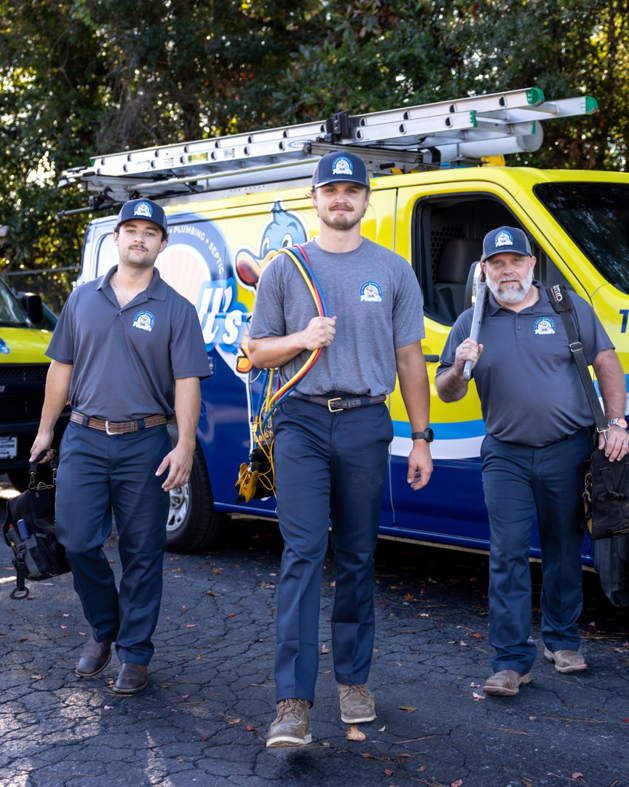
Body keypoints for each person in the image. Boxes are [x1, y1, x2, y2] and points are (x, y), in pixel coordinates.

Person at [248, 150, 433, 747]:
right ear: (315, 198)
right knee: (303, 553)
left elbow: (410, 361)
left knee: (357, 555)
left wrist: (422, 438)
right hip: (299, 422)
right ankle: (293, 701)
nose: (341, 199)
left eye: (352, 190)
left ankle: (352, 678)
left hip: (365, 423)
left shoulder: (394, 270)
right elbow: (256, 351)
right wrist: (301, 338)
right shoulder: (285, 268)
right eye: (332, 190)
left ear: (365, 200)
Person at [435, 226, 628, 697]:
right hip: (505, 453)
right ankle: (510, 661)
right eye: (496, 264)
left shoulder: (564, 307)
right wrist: (460, 367)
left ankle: (562, 641)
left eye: (514, 261)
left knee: (563, 547)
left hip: (568, 447)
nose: (506, 271)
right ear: (483, 271)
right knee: (507, 553)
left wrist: (617, 422)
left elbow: (606, 361)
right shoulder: (470, 322)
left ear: (531, 264)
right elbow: (446, 390)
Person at [30, 198, 209, 695]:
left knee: (142, 552)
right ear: (116, 238)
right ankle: (104, 628)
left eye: (149, 232)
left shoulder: (177, 309)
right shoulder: (82, 298)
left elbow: (187, 382)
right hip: (84, 437)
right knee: (78, 540)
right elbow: (60, 368)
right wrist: (47, 431)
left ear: (162, 244)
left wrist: (186, 445)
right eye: (130, 229)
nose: (139, 238)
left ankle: (134, 653)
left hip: (146, 442)